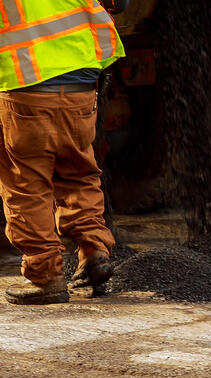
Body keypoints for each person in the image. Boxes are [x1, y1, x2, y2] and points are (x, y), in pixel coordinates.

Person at [0, 0, 127, 305]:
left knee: (26, 185)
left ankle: (45, 277)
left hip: (26, 83)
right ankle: (94, 252)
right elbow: (119, 3)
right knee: (78, 172)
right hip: (81, 80)